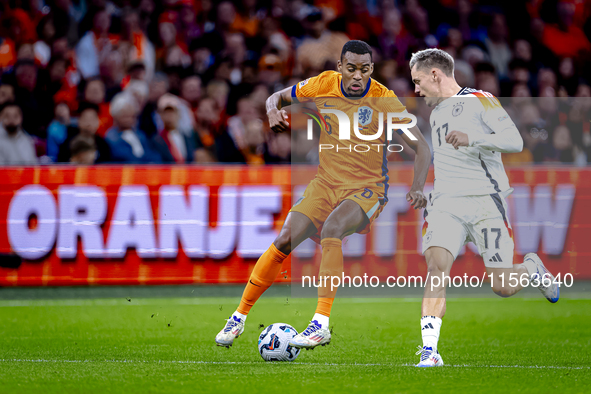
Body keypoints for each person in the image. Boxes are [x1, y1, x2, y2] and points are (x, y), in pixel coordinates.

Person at [215, 40, 431, 349]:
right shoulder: (323, 83)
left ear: (371, 69)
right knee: (284, 240)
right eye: (352, 69)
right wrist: (272, 110)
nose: (358, 76)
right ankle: (238, 317)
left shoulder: (384, 99)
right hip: (325, 184)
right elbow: (277, 97)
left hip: (366, 189)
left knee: (332, 229)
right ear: (341, 67)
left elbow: (421, 147)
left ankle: (321, 323)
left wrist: (417, 186)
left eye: (365, 69)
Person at [408, 48, 560, 367]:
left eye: (419, 81)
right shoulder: (433, 112)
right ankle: (429, 350)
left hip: (485, 203)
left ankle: (531, 269)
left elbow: (514, 141)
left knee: (502, 286)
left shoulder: (480, 99)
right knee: (436, 268)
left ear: (435, 74)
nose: (416, 89)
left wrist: (473, 136)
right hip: (446, 204)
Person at [105, 92, 162, 163]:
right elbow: (123, 157)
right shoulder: (111, 138)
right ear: (116, 117)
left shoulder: (140, 135)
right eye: (125, 116)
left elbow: (151, 154)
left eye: (132, 116)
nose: (129, 120)